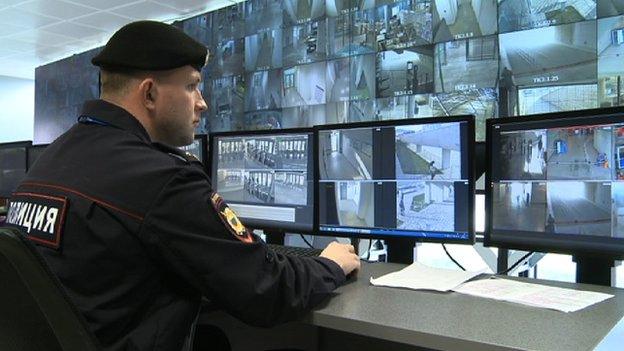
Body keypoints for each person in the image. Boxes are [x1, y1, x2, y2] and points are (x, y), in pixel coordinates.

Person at [4, 21, 360, 351]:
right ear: (149, 94)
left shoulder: (51, 161)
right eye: (191, 86)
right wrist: (330, 264)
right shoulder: (163, 178)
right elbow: (265, 291)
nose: (203, 103)